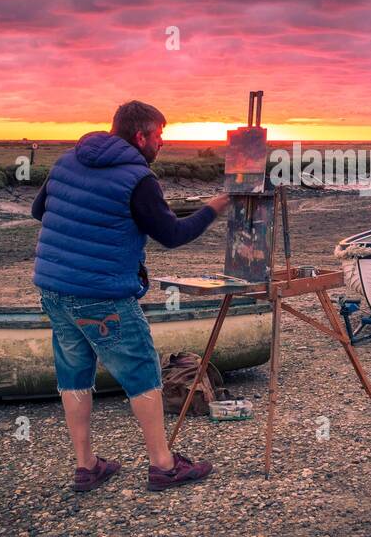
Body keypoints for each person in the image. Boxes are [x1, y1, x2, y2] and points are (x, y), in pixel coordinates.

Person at [31, 101, 229, 492]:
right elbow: (171, 236)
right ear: (141, 136)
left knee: (73, 375)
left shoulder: (67, 161)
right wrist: (212, 209)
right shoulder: (138, 179)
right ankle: (163, 465)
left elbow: (41, 211)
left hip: (54, 288)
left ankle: (86, 465)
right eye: (159, 136)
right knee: (141, 374)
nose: (162, 143)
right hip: (102, 295)